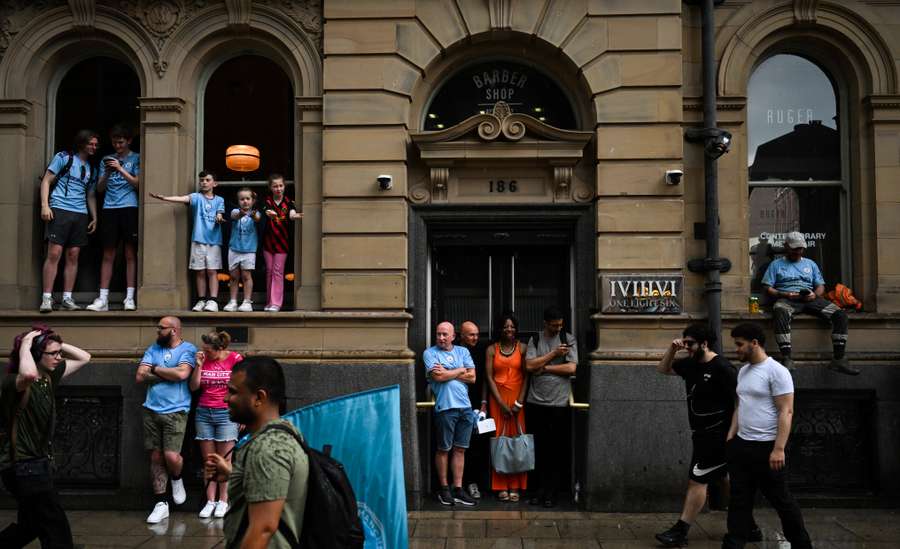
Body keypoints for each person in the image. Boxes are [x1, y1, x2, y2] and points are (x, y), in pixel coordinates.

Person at [654, 324, 760, 547]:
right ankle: (749, 526)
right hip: (700, 434)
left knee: (697, 479)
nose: (687, 348)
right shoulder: (691, 364)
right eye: (685, 343)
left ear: (704, 343)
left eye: (690, 344)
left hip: (718, 434)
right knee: (723, 479)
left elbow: (741, 400)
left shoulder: (722, 367)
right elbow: (663, 369)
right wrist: (672, 350)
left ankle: (680, 531)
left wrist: (733, 432)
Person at [0, 325, 91, 548]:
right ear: (34, 354)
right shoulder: (15, 382)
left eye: (60, 353)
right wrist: (27, 344)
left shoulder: (49, 377)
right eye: (53, 354)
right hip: (22, 466)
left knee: (31, 524)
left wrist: (52, 340)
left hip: (37, 464)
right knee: (55, 525)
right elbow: (28, 373)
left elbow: (85, 357)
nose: (59, 358)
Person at [722, 323, 812, 549]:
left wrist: (779, 448)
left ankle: (802, 544)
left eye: (740, 344)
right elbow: (739, 405)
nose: (737, 349)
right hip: (742, 446)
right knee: (739, 502)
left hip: (768, 449)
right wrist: (731, 437)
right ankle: (733, 545)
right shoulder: (743, 371)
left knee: (782, 501)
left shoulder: (777, 371)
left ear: (755, 343)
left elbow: (786, 411)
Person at [205, 356, 309, 547]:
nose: (226, 398)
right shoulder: (283, 433)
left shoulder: (269, 448)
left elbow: (262, 530)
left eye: (233, 392)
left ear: (259, 398)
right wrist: (232, 474)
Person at [762, 231, 857, 375]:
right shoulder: (776, 264)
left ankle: (839, 359)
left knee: (840, 315)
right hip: (787, 298)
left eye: (800, 248)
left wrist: (814, 295)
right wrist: (783, 294)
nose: (798, 251)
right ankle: (787, 358)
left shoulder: (810, 264)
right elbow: (767, 287)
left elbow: (820, 286)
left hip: (810, 299)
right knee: (780, 310)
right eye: (794, 248)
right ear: (786, 246)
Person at [136, 316, 197, 524]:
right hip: (151, 408)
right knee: (155, 456)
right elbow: (139, 376)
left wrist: (153, 369)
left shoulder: (187, 349)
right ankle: (161, 502)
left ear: (173, 330)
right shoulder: (153, 348)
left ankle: (177, 479)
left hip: (176, 410)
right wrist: (164, 373)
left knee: (171, 456)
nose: (157, 331)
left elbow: (182, 374)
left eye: (161, 328)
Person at [38, 129, 99, 313]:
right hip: (60, 208)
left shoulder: (92, 168)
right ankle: (47, 298)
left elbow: (91, 195)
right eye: (91, 144)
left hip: (80, 213)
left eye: (96, 145)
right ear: (82, 143)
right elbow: (47, 180)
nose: (94, 147)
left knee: (73, 255)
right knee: (54, 253)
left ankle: (67, 297)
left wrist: (94, 216)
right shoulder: (64, 157)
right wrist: (45, 205)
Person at [150, 171, 225, 312]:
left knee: (212, 271)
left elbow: (220, 212)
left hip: (214, 241)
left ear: (214, 183)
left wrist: (219, 217)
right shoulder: (196, 197)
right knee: (200, 272)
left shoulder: (219, 200)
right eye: (202, 180)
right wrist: (165, 198)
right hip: (198, 240)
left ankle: (213, 301)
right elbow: (181, 198)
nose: (204, 182)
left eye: (207, 180)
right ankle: (201, 300)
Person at [524, 306, 576, 508]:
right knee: (539, 448)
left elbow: (571, 367)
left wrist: (544, 367)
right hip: (536, 401)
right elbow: (529, 366)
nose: (558, 328)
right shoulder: (535, 340)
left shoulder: (568, 338)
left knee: (555, 449)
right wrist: (554, 353)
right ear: (545, 323)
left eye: (560, 325)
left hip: (558, 402)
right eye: (554, 325)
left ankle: (552, 492)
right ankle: (539, 490)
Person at [86, 124, 140, 312]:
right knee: (108, 253)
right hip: (109, 207)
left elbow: (137, 184)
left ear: (129, 141)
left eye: (121, 142)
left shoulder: (136, 158)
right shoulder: (105, 160)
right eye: (114, 142)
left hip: (129, 207)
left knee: (129, 254)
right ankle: (103, 298)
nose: (117, 146)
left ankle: (130, 297)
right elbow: (99, 189)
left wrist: (121, 168)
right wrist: (108, 172)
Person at [189, 330, 242, 518]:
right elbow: (194, 387)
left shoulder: (234, 359)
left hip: (226, 413)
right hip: (204, 411)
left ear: (220, 349)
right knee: (209, 461)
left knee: (224, 460)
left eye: (209, 350)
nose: (205, 353)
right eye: (203, 349)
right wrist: (199, 365)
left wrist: (241, 414)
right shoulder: (203, 361)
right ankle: (210, 500)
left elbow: (243, 387)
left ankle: (223, 500)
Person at [424, 321, 477, 507]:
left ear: (453, 336)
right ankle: (444, 489)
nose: (441, 337)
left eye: (445, 334)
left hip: (466, 407)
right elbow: (437, 377)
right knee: (444, 449)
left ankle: (458, 489)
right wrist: (460, 370)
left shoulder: (463, 352)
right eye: (438, 334)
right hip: (445, 407)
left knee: (460, 449)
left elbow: (473, 377)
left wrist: (449, 372)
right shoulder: (430, 353)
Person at [485, 313, 529, 502]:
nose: (509, 330)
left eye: (512, 326)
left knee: (517, 441)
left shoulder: (524, 348)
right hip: (498, 400)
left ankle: (516, 485)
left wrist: (519, 402)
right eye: (505, 326)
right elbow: (488, 377)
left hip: (518, 400)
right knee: (500, 441)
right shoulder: (491, 350)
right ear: (499, 329)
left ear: (516, 329)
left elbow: (527, 376)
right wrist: (501, 404)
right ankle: (501, 485)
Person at [262, 174, 302, 312]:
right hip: (268, 242)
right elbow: (264, 210)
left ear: (284, 186)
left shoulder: (288, 202)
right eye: (275, 186)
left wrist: (294, 215)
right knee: (269, 271)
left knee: (278, 272)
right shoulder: (267, 201)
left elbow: (291, 213)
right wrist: (268, 212)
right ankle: (269, 302)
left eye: (280, 185)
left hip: (282, 243)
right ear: (270, 188)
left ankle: (276, 303)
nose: (278, 188)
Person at [459, 320, 488, 500]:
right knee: (458, 446)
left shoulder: (480, 351)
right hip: (458, 404)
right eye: (471, 334)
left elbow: (484, 378)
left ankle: (474, 483)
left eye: (477, 334)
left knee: (476, 446)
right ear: (461, 335)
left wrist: (484, 402)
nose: (475, 337)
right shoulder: (453, 351)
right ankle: (458, 485)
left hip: (477, 405)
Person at [224, 188, 262, 312]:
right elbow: (235, 216)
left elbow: (257, 219)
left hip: (249, 249)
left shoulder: (256, 213)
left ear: (252, 201)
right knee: (234, 276)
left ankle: (247, 301)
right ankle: (233, 301)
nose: (245, 201)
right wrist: (242, 213)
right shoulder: (235, 211)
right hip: (234, 248)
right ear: (238, 201)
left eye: (248, 199)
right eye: (242, 199)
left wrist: (253, 213)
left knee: (246, 275)